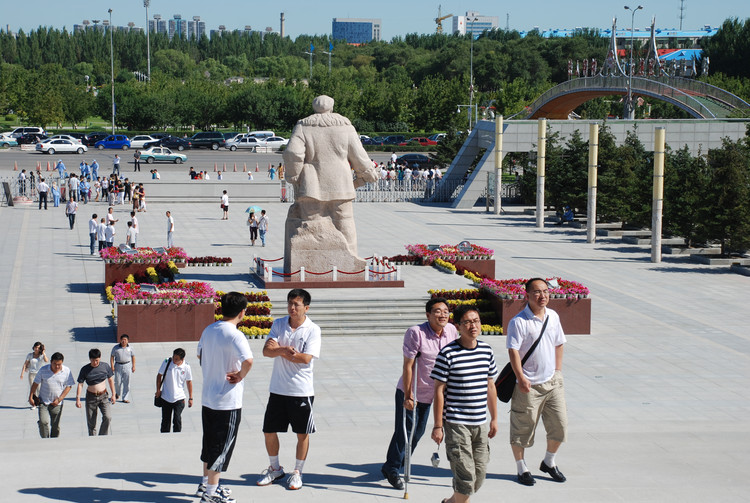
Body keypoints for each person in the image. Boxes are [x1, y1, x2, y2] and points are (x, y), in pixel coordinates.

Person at [381, 297, 459, 490]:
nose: (443, 315)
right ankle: (392, 468)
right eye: (437, 311)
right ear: (428, 315)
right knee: (405, 432)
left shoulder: (451, 330)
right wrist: (408, 395)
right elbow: (408, 366)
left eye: (445, 311)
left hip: (438, 392)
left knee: (418, 432)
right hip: (414, 391)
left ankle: (397, 463)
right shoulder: (416, 333)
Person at [430, 305, 499, 503]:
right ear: (458, 326)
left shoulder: (486, 350)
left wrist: (494, 418)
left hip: (480, 423)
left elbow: (490, 386)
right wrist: (438, 426)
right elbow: (438, 390)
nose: (472, 326)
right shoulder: (448, 354)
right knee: (466, 477)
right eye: (467, 322)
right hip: (456, 423)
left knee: (479, 474)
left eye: (475, 321)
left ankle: (451, 502)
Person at [257, 289, 321, 491]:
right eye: (290, 303)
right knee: (269, 430)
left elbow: (305, 358)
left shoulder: (313, 329)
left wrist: (280, 351)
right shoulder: (278, 324)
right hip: (277, 389)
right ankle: (275, 468)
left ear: (306, 308)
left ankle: (297, 472)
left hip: (301, 390)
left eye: (297, 304)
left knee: (302, 433)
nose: (292, 308)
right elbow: (267, 351)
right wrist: (285, 351)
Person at [507, 278, 568, 486]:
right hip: (528, 385)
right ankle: (521, 467)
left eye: (545, 291)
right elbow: (513, 351)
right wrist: (521, 378)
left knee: (560, 426)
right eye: (536, 292)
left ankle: (549, 462)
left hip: (553, 383)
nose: (542, 296)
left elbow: (559, 343)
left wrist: (557, 372)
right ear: (527, 295)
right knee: (522, 428)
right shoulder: (518, 321)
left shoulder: (553, 316)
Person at [195, 292, 254, 503]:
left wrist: (212, 370)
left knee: (209, 443)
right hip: (227, 401)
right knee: (221, 447)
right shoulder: (235, 335)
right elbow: (248, 361)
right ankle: (211, 494)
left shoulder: (209, 330)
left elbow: (200, 355)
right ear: (242, 312)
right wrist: (239, 375)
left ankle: (205, 484)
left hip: (208, 397)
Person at [29, 352, 75, 438]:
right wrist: (31, 396)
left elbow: (69, 386)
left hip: (57, 403)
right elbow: (35, 383)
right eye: (55, 364)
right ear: (51, 362)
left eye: (59, 364)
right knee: (43, 422)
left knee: (55, 426)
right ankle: (45, 440)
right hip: (43, 401)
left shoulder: (66, 371)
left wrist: (59, 399)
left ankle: (54, 441)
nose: (57, 366)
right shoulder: (43, 370)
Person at [75, 348, 116, 436]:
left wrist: (113, 394)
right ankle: (92, 438)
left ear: (100, 358)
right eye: (93, 361)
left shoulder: (105, 366)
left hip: (104, 396)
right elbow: (80, 384)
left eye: (97, 360)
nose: (95, 363)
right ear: (90, 359)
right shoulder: (85, 369)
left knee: (108, 417)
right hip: (91, 397)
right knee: (91, 422)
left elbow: (110, 380)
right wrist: (78, 399)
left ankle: (102, 436)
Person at [156, 348, 193, 433]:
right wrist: (158, 390)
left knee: (177, 420)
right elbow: (159, 376)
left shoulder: (186, 366)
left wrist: (191, 397)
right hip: (166, 397)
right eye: (173, 357)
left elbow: (189, 381)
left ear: (182, 359)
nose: (174, 360)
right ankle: (164, 439)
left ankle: (177, 438)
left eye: (176, 359)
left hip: (179, 398)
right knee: (165, 421)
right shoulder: (166, 362)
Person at [20, 342, 48, 408]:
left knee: (39, 388)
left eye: (38, 348)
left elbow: (46, 360)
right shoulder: (30, 355)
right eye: (36, 347)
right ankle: (34, 403)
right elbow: (25, 364)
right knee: (33, 388)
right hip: (31, 373)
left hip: (39, 374)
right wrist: (22, 373)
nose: (36, 349)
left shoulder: (42, 355)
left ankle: (40, 402)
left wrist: (43, 353)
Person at [110, 334, 136, 403]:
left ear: (128, 341)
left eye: (125, 340)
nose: (124, 341)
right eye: (123, 340)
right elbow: (112, 357)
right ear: (120, 340)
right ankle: (117, 393)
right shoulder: (116, 348)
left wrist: (133, 366)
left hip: (127, 365)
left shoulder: (130, 348)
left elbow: (133, 357)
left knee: (127, 382)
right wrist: (112, 366)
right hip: (118, 365)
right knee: (117, 382)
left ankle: (125, 398)